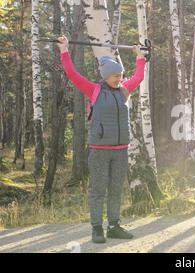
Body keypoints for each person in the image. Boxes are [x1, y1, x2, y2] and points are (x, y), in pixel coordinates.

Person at [57, 35, 147, 243]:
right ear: (105, 76)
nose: (119, 78)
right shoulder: (94, 90)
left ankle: (114, 226)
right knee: (98, 190)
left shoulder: (124, 91)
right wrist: (64, 51)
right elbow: (72, 74)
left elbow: (139, 77)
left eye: (121, 75)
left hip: (121, 149)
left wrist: (140, 57)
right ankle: (97, 228)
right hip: (99, 149)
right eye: (115, 75)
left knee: (116, 190)